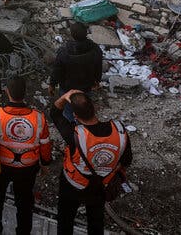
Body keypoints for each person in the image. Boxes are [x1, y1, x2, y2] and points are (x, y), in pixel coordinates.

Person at [51, 90, 132, 235]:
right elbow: (127, 160)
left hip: (73, 184)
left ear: (75, 116)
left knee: (65, 220)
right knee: (96, 223)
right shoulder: (119, 131)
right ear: (95, 108)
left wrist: (64, 97)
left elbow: (55, 114)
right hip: (101, 185)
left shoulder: (73, 134)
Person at [0, 76, 52, 235]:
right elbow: (45, 144)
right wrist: (45, 164)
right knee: (25, 203)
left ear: (6, 91)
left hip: (1, 167)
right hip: (27, 168)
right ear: (25, 92)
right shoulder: (39, 117)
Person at [48, 22, 103, 123]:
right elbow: (98, 67)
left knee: (68, 111)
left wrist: (52, 84)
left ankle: (72, 127)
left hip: (67, 89)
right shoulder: (95, 50)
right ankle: (83, 125)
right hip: (86, 87)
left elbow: (57, 71)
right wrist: (97, 80)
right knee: (84, 108)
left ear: (72, 35)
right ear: (86, 33)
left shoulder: (64, 52)